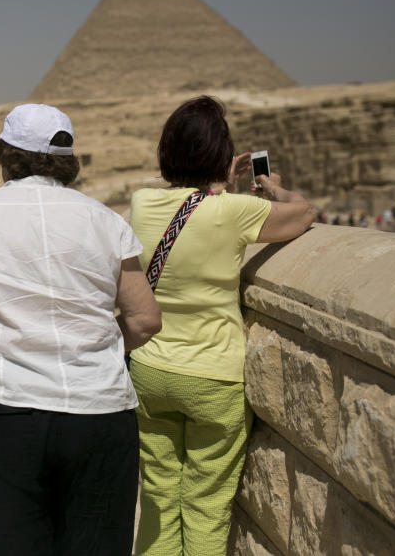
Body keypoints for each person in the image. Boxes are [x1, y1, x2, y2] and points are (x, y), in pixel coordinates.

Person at [0, 104, 161, 555]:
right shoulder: (106, 221)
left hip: (1, 414)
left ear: (7, 155)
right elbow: (145, 320)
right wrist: (94, 350)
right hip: (99, 412)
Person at [127, 96, 315, 556]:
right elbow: (305, 214)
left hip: (150, 374)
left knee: (158, 498)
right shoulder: (233, 211)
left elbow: (189, 216)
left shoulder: (141, 202)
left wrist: (215, 185)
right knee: (206, 507)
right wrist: (274, 188)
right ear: (221, 156)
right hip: (213, 379)